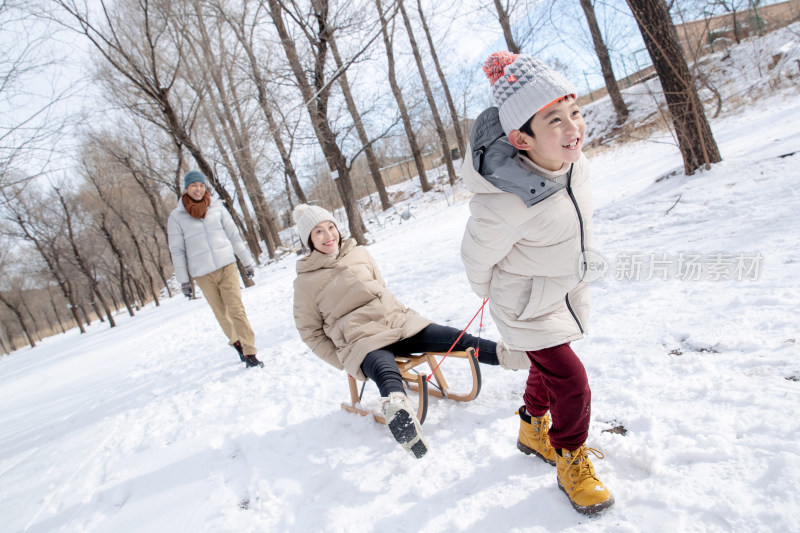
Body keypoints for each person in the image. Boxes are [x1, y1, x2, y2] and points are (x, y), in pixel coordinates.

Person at [460, 51, 613, 515]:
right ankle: (570, 457)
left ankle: (531, 427)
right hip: (525, 303)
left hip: (562, 288)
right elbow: (475, 258)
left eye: (575, 112)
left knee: (546, 371)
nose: (574, 129)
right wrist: (497, 294)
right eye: (555, 120)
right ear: (520, 139)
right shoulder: (504, 202)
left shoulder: (574, 164)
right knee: (572, 382)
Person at [291, 204, 520, 459]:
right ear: (309, 241)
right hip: (360, 340)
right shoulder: (305, 282)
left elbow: (380, 285)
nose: (328, 235)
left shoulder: (358, 254)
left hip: (397, 322)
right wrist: (344, 360)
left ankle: (512, 356)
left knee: (453, 337)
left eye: (330, 227)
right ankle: (398, 409)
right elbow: (310, 332)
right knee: (384, 368)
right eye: (318, 232)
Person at [167, 170, 263, 368]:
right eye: (194, 185)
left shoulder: (217, 208)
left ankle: (250, 352)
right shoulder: (176, 217)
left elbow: (234, 235)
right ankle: (237, 343)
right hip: (203, 273)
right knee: (222, 314)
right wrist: (184, 280)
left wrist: (246, 261)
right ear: (186, 188)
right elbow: (177, 250)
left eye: (201, 185)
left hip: (226, 265)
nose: (198, 189)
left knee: (236, 309)